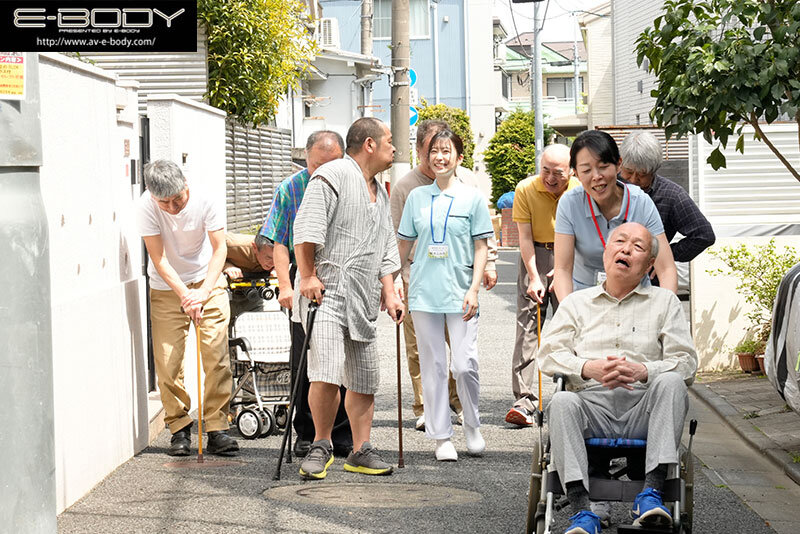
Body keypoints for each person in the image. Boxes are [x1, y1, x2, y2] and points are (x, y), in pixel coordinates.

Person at [539, 222, 697, 534]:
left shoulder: (665, 302)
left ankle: (650, 496)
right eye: (620, 241)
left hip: (644, 408)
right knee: (562, 401)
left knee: (671, 382)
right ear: (606, 253)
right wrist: (588, 367)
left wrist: (645, 371)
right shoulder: (576, 303)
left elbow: (687, 362)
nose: (626, 249)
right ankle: (583, 512)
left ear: (649, 265)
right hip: (590, 408)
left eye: (637, 247)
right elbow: (548, 355)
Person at [293, 117, 404, 480]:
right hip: (326, 290)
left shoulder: (380, 191)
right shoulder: (333, 174)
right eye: (389, 141)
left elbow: (384, 246)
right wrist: (307, 275)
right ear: (369, 144)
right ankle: (321, 443)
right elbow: (305, 230)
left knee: (364, 377)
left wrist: (390, 291)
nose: (394, 147)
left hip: (362, 295)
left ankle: (360, 449)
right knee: (325, 371)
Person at [390, 119, 499, 432]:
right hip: (418, 275)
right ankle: (427, 409)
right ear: (420, 151)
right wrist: (393, 280)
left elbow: (482, 234)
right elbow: (398, 237)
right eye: (431, 150)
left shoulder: (468, 183)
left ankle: (462, 406)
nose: (437, 157)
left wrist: (489, 263)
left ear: (457, 155)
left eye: (444, 150)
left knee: (461, 355)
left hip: (458, 276)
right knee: (422, 351)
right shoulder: (407, 188)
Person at [257, 130, 353, 459]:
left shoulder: (353, 183)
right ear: (306, 159)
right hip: (304, 281)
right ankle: (307, 432)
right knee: (305, 359)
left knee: (342, 360)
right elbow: (279, 241)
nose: (322, 172)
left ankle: (341, 433)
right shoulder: (291, 187)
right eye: (315, 165)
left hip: (342, 279)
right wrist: (285, 285)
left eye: (331, 164)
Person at [137, 160, 239, 457]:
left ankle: (217, 427)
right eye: (163, 202)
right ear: (151, 195)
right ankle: (179, 427)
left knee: (216, 355)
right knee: (168, 361)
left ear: (185, 185)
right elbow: (159, 259)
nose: (171, 207)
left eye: (177, 199)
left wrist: (203, 292)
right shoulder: (145, 206)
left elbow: (220, 249)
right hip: (167, 287)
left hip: (208, 280)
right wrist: (185, 295)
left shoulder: (206, 197)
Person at [552, 130, 678, 303]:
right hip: (586, 300)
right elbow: (562, 269)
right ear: (576, 174)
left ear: (618, 164)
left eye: (603, 166)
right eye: (586, 170)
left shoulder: (641, 202)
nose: (596, 176)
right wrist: (570, 310)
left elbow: (666, 269)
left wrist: (666, 308)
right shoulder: (569, 204)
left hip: (635, 298)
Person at [505, 144, 579, 427]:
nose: (550, 178)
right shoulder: (526, 189)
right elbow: (524, 237)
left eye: (557, 172)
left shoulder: (580, 190)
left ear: (571, 171)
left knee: (571, 326)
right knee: (527, 328)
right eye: (545, 170)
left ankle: (571, 393)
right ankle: (524, 401)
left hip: (570, 254)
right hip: (535, 254)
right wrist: (534, 276)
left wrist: (563, 268)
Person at [619, 131, 715, 264]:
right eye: (629, 172)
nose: (634, 180)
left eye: (642, 174)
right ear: (620, 163)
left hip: (648, 273)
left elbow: (704, 235)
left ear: (654, 170)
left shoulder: (672, 195)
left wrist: (663, 256)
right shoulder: (608, 186)